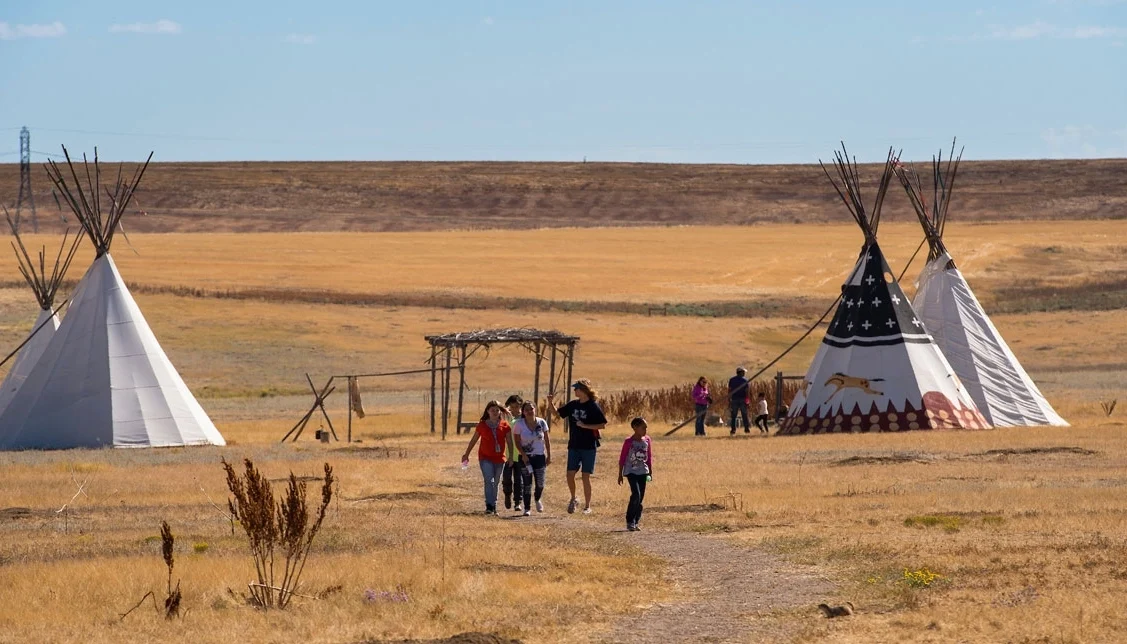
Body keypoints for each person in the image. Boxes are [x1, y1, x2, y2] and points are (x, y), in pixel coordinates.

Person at [546, 379, 607, 515]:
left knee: (585, 476)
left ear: (583, 390)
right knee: (570, 474)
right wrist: (550, 403)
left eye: (576, 388)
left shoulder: (593, 406)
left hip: (589, 446)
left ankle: (587, 506)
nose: (574, 391)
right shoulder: (573, 405)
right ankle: (573, 498)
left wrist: (585, 426)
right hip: (574, 445)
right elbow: (557, 414)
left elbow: (602, 424)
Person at [461, 400, 511, 515]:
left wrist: (511, 457)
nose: (494, 412)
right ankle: (489, 506)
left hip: (500, 458)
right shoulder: (482, 425)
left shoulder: (505, 425)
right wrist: (466, 454)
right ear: (487, 411)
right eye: (492, 410)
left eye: (497, 410)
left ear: (500, 412)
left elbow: (509, 442)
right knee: (490, 481)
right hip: (485, 458)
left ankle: (494, 505)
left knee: (497, 481)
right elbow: (474, 440)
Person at [513, 400, 551, 515]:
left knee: (540, 482)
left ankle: (537, 498)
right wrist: (523, 455)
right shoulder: (519, 424)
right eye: (526, 410)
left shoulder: (542, 422)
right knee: (527, 483)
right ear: (523, 412)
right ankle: (527, 508)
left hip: (539, 456)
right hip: (525, 458)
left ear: (535, 409)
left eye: (531, 409)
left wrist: (549, 455)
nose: (529, 411)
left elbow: (547, 440)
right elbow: (517, 442)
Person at [618, 417, 652, 532]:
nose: (645, 430)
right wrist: (620, 473)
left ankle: (636, 521)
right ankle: (630, 521)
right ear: (635, 428)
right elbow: (622, 458)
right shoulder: (629, 441)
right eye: (643, 427)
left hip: (643, 472)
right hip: (631, 471)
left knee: (640, 498)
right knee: (636, 494)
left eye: (646, 428)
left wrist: (650, 471)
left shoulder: (647, 440)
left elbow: (649, 457)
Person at [501, 395, 527, 512]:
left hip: (520, 454)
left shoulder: (524, 419)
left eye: (517, 407)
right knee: (506, 477)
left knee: (519, 479)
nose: (515, 409)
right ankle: (507, 495)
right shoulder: (505, 418)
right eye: (512, 407)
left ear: (521, 406)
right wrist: (505, 409)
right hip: (507, 454)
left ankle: (518, 502)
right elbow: (499, 408)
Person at [729, 367, 751, 435]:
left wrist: (729, 399)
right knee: (744, 415)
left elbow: (729, 390)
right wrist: (747, 401)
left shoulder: (732, 380)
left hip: (734, 399)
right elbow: (747, 392)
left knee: (733, 416)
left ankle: (733, 430)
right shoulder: (745, 380)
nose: (744, 373)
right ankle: (746, 429)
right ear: (741, 372)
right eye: (743, 372)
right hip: (742, 399)